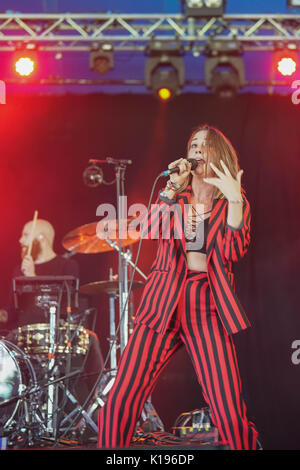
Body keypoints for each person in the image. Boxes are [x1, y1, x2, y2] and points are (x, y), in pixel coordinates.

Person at [97, 124, 258, 450]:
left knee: (228, 409)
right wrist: (171, 188)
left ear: (218, 154)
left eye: (204, 145)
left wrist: (235, 201)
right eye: (193, 144)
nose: (197, 149)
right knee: (120, 399)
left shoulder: (232, 201)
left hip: (207, 304)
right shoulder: (177, 194)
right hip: (164, 299)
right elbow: (151, 229)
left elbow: (232, 250)